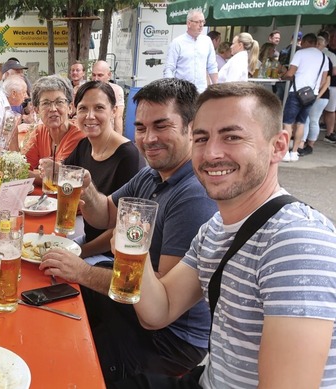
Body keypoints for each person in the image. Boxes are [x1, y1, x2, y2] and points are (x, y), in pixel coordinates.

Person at [119, 81, 336, 389]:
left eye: (232, 136)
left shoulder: (297, 242)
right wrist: (134, 246)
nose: (211, 153)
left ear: (278, 146)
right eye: (201, 138)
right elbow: (160, 310)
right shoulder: (215, 229)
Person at [42, 78, 215, 386]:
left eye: (161, 126)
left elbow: (158, 294)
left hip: (170, 339)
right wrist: (89, 189)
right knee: (53, 303)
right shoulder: (152, 174)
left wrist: (81, 270)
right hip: (135, 307)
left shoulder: (194, 195)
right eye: (142, 127)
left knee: (72, 352)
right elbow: (108, 213)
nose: (149, 138)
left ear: (192, 128)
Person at [60, 80, 144, 265]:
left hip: (111, 256)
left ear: (114, 111)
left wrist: (81, 252)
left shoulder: (128, 156)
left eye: (99, 108)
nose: (90, 116)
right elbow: (63, 176)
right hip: (86, 240)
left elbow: (123, 228)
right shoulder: (84, 145)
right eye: (83, 108)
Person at [20, 75, 85, 181]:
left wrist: (33, 176)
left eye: (59, 102)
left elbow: (58, 177)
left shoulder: (79, 135)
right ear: (37, 110)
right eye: (46, 103)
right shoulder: (39, 132)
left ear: (70, 107)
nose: (53, 109)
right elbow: (21, 168)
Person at [280, 33, 328, 162]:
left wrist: (282, 76)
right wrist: (315, 89)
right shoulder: (324, 57)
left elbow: (290, 73)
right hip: (312, 94)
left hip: (296, 92)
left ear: (306, 42)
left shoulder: (300, 53)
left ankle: (284, 153)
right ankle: (294, 152)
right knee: (301, 123)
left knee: (288, 123)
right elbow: (324, 80)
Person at [164, 10, 218, 93]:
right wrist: (171, 89)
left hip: (201, 92)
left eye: (203, 22)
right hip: (182, 92)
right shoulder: (177, 42)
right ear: (189, 23)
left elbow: (212, 66)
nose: (201, 25)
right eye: (198, 22)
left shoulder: (207, 41)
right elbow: (169, 68)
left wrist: (217, 87)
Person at [296, 36, 332, 157]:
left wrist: (317, 95)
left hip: (319, 95)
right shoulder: (320, 59)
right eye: (316, 44)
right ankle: (305, 144)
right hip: (316, 94)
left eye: (320, 45)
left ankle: (307, 144)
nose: (317, 47)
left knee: (310, 120)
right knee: (308, 119)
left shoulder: (325, 59)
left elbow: (326, 81)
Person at [90, 60, 125, 135]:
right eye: (93, 75)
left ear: (109, 75)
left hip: (108, 135)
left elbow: (118, 117)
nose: (96, 79)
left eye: (100, 75)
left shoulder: (116, 90)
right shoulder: (86, 91)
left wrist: (119, 142)